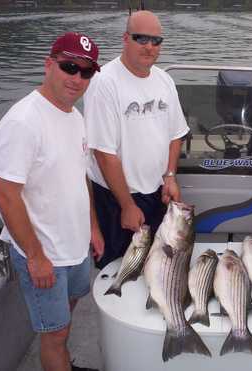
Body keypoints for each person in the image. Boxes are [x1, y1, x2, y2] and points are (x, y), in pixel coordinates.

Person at [0, 32, 104, 371]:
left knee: (66, 318)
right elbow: (6, 195)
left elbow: (79, 177)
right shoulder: (23, 120)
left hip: (73, 245)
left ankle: (64, 364)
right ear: (48, 64)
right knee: (53, 335)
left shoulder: (74, 116)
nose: (77, 78)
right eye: (69, 66)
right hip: (43, 253)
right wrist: (37, 257)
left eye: (86, 72)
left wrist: (93, 228)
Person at [84, 10, 190, 269]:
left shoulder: (164, 80)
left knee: (158, 266)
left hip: (157, 194)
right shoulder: (105, 83)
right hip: (116, 197)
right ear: (125, 38)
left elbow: (176, 134)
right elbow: (104, 154)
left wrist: (170, 175)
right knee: (117, 270)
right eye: (141, 39)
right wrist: (127, 205)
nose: (149, 47)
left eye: (156, 41)